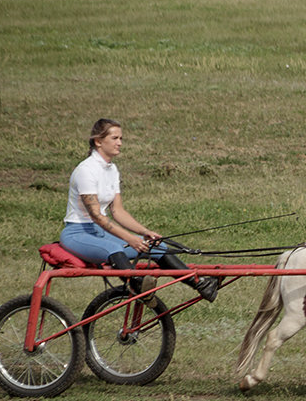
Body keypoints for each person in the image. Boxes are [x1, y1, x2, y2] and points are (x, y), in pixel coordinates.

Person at [59, 118, 219, 301]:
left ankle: (200, 284)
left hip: (98, 232)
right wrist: (131, 239)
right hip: (77, 233)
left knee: (157, 247)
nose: (119, 143)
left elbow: (118, 211)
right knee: (113, 249)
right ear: (98, 141)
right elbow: (97, 216)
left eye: (121, 138)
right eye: (114, 138)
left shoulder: (111, 170)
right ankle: (138, 286)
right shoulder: (86, 171)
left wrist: (145, 233)